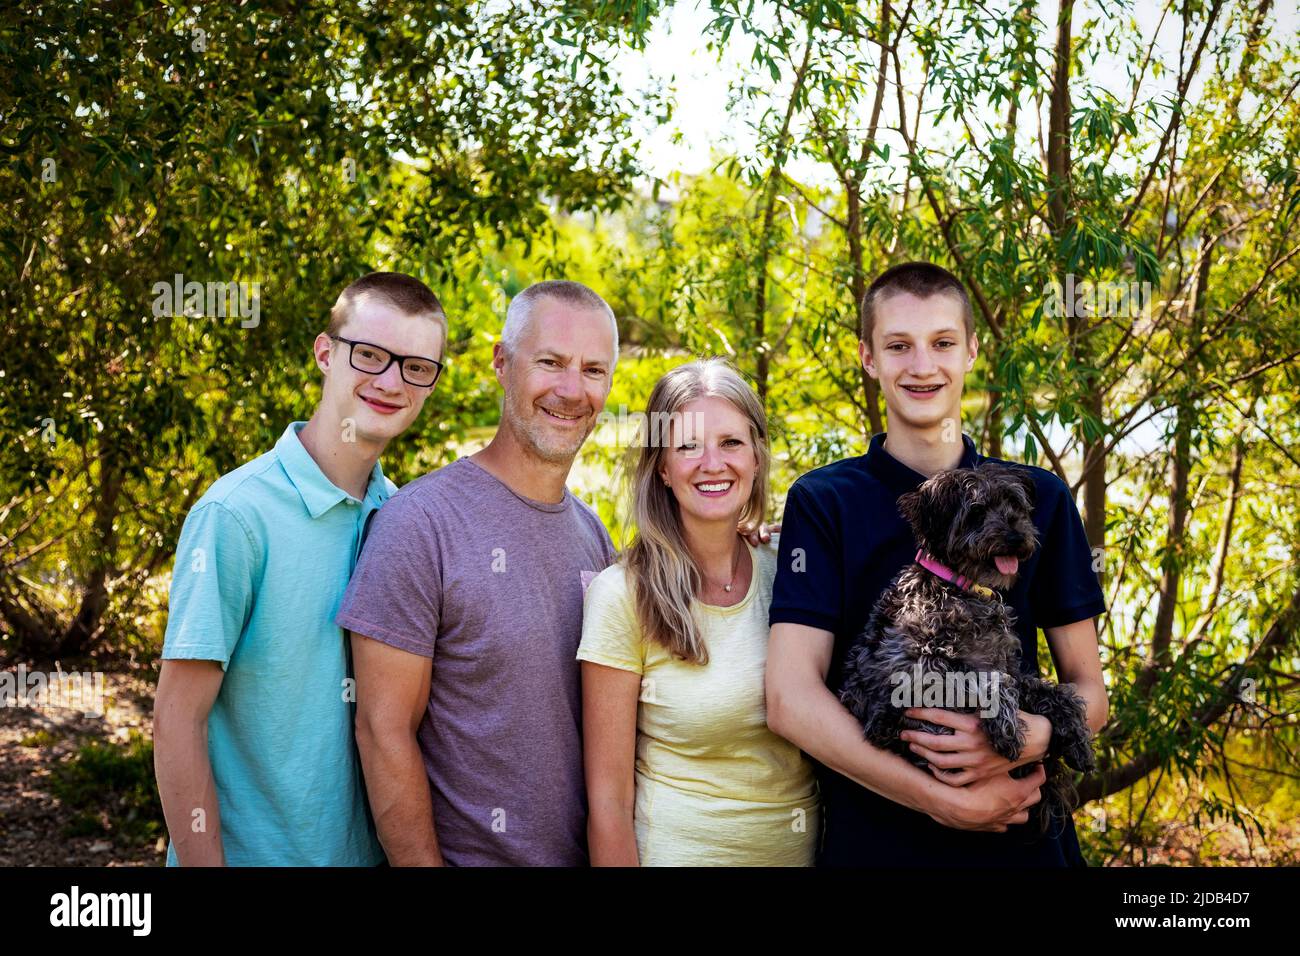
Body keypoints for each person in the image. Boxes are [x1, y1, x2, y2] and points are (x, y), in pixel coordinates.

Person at [765, 261, 1109, 866]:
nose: (922, 366)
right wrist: (935, 798)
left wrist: (1029, 736)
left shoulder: (1041, 499)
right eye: (899, 345)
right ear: (868, 358)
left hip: (1023, 844)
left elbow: (1091, 693)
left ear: (972, 351)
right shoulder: (823, 502)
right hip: (878, 849)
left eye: (942, 343)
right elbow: (791, 700)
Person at [154, 272, 448, 865]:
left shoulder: (402, 522)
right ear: (324, 353)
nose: (390, 381)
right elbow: (177, 723)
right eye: (369, 355)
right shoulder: (236, 516)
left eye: (416, 366)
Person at [580, 359, 818, 866]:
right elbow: (608, 802)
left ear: (756, 456)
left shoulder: (793, 572)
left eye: (731, 442)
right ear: (662, 467)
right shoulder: (622, 595)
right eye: (688, 445)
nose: (713, 463)